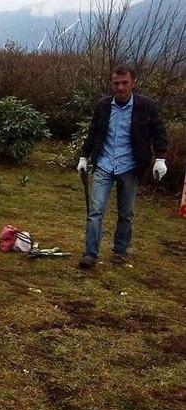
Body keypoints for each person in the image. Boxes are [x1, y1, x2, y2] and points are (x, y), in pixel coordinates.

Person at [77, 65, 169, 269]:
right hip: (104, 163)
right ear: (112, 84)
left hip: (130, 166)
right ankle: (90, 254)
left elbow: (159, 132)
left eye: (124, 83)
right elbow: (93, 132)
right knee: (95, 211)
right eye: (116, 83)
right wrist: (84, 156)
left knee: (125, 213)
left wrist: (160, 158)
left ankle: (120, 251)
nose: (120, 87)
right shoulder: (103, 106)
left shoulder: (146, 106)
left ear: (132, 83)